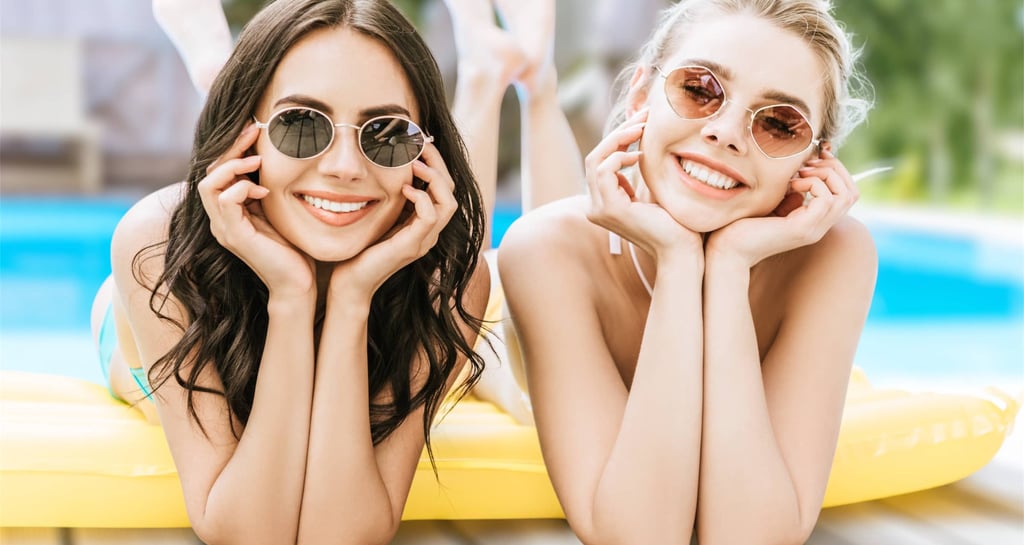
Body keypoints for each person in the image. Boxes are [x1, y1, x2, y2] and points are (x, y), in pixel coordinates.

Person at [85, 0, 551, 541]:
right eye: (300, 124)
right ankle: (219, 70)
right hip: (145, 327)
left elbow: (342, 534)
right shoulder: (161, 246)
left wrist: (352, 299)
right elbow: (247, 533)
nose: (346, 168)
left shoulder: (449, 284)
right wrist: (290, 295)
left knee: (465, 243)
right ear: (249, 136)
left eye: (386, 133)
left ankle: (471, 76)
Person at [497, 0, 876, 543]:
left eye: (778, 123)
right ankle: (521, 81)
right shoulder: (543, 251)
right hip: (506, 355)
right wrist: (677, 261)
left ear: (812, 162)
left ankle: (540, 82)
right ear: (640, 96)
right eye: (699, 89)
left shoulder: (832, 254)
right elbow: (638, 535)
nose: (726, 133)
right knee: (516, 245)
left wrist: (727, 265)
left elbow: (751, 536)